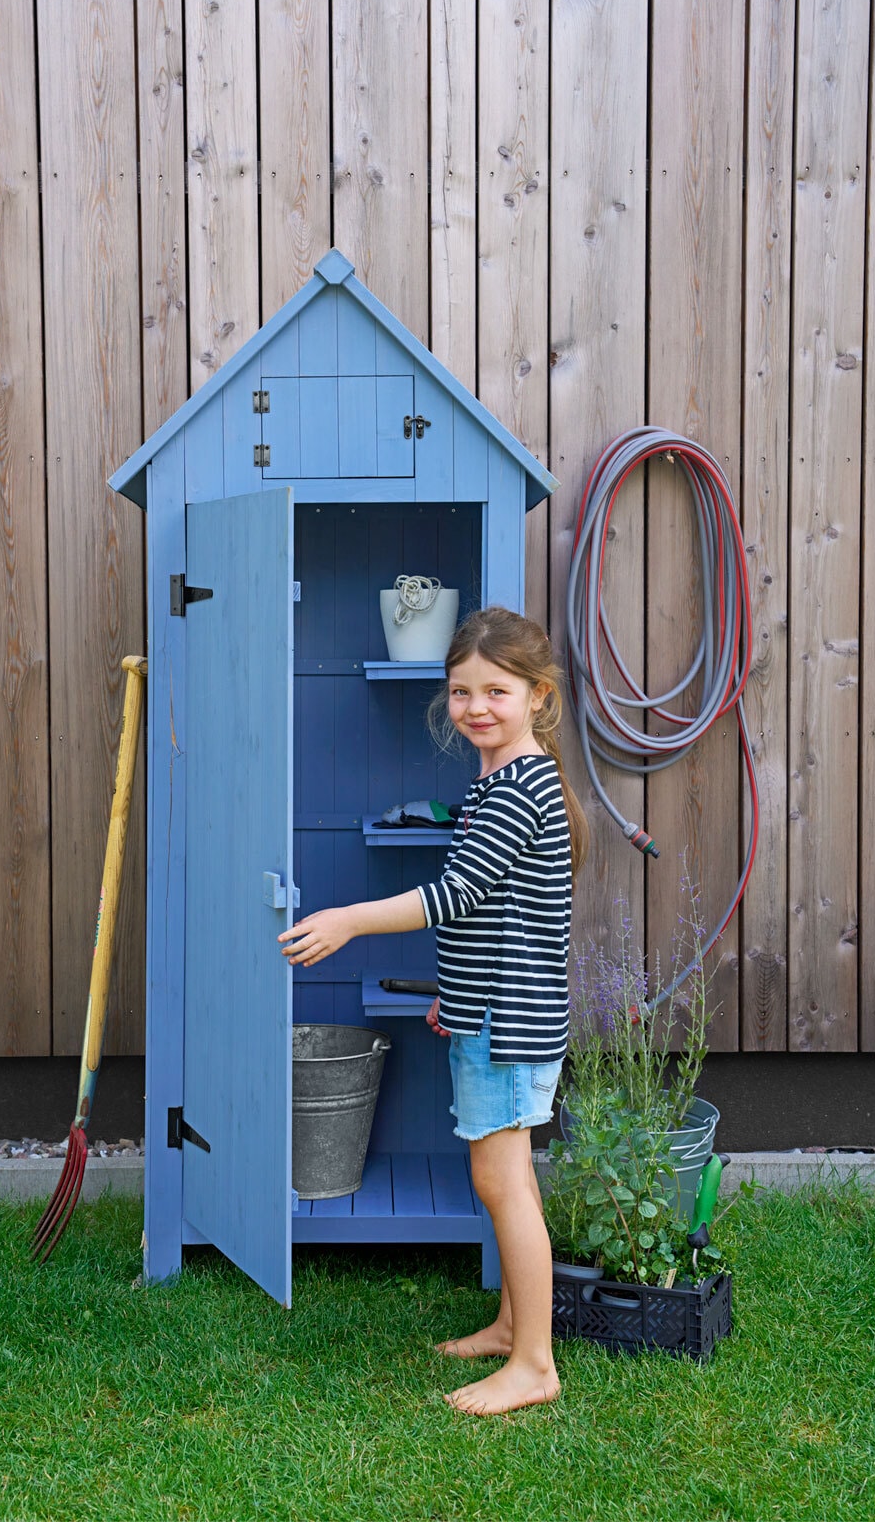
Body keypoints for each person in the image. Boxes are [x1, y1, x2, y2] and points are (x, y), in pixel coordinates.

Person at [278, 606, 589, 1415]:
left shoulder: (519, 789)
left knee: (504, 1180)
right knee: (500, 1176)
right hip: (493, 1008)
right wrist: (456, 992)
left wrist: (348, 919)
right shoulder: (502, 780)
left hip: (511, 1023)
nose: (476, 707)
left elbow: (454, 897)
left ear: (537, 697)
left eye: (496, 690)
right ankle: (511, 1326)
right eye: (460, 692)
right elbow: (504, 914)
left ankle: (534, 1365)